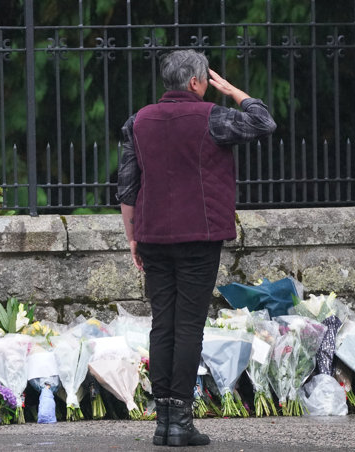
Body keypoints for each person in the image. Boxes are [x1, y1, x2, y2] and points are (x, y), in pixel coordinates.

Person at [117, 49, 276, 447]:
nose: (210, 85)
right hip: (199, 236)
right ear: (195, 82)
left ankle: (162, 421)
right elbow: (264, 121)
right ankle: (180, 422)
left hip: (153, 234)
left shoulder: (138, 122)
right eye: (208, 79)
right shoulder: (213, 118)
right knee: (188, 325)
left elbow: (127, 187)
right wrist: (232, 90)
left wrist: (131, 236)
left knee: (163, 324)